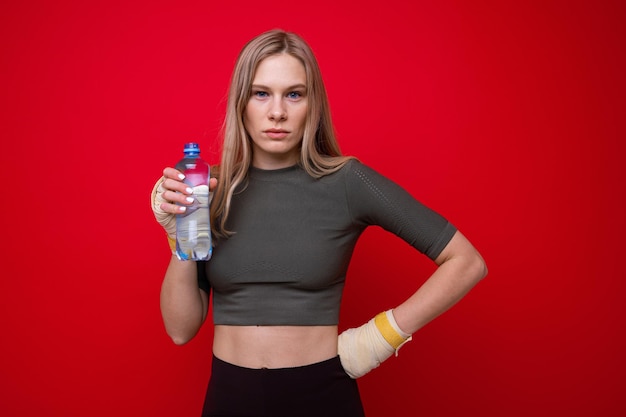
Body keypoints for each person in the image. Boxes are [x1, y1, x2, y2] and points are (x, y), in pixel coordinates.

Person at [151, 29, 487, 417]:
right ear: (241, 103)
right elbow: (180, 331)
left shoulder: (347, 181)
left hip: (321, 396)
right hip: (229, 396)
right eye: (262, 93)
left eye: (294, 94)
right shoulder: (210, 187)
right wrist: (181, 232)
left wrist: (378, 339)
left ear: (313, 104)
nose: (277, 111)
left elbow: (467, 261)